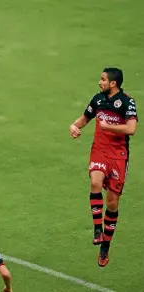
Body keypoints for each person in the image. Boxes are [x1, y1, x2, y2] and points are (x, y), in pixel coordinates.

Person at [69, 67, 138, 267]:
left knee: (113, 204)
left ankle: (105, 246)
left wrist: (109, 127)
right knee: (95, 182)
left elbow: (131, 128)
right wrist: (74, 126)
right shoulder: (98, 100)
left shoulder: (127, 102)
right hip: (99, 149)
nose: (100, 82)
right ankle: (97, 229)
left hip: (118, 155)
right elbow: (84, 118)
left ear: (113, 83)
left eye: (103, 79)